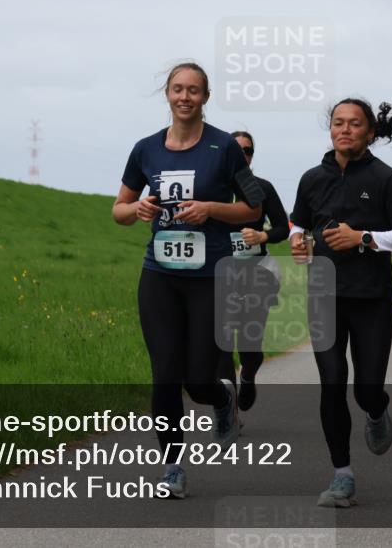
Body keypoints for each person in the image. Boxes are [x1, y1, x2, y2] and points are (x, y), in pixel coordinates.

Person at [112, 62, 264, 499]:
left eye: (193, 90)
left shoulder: (224, 148)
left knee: (199, 379)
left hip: (211, 278)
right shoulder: (146, 149)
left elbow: (253, 209)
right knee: (164, 377)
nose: (185, 97)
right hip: (159, 277)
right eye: (178, 89)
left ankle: (220, 399)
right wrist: (137, 209)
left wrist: (212, 209)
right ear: (167, 94)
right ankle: (173, 467)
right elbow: (118, 210)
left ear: (205, 97)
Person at [289, 95, 392, 507]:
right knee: (332, 385)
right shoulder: (313, 177)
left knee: (366, 389)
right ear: (330, 128)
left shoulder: (386, 179)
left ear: (370, 132)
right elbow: (299, 220)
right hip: (324, 295)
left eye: (354, 123)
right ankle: (342, 476)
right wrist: (298, 239)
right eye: (338, 122)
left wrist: (363, 238)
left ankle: (377, 410)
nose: (344, 129)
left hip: (371, 299)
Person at [215, 131, 289, 413]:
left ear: (251, 156)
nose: (242, 154)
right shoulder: (211, 189)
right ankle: (228, 408)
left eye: (247, 150)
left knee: (249, 342)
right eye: (236, 149)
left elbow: (283, 227)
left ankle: (247, 374)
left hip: (259, 271)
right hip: (220, 274)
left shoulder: (262, 187)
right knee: (221, 340)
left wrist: (264, 236)